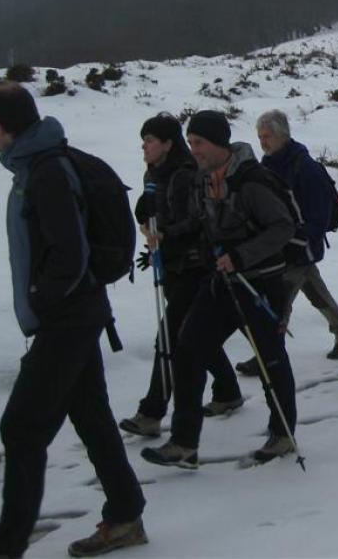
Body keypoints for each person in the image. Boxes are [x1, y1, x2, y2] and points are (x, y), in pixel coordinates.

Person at [0, 81, 146, 559]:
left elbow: (69, 254)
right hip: (77, 311)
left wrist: (44, 302)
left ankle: (6, 544)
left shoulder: (47, 171)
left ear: (0, 128)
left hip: (67, 317)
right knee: (91, 416)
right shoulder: (41, 164)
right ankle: (126, 513)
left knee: (21, 428)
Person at [142, 110, 298, 469]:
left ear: (218, 144)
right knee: (188, 347)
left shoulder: (251, 181)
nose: (192, 149)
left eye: (199, 143)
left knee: (269, 357)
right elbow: (200, 223)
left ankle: (282, 433)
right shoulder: (202, 179)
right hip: (221, 282)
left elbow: (282, 227)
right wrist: (167, 237)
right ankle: (184, 443)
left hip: (260, 281)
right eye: (191, 142)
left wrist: (240, 256)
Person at [119, 113, 242, 437]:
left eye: (149, 141)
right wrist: (145, 216)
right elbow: (149, 205)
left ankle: (152, 411)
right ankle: (228, 390)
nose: (144, 148)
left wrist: (166, 234)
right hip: (174, 265)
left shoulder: (186, 175)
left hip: (194, 265)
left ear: (167, 144)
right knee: (193, 334)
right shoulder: (156, 172)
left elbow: (197, 220)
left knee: (170, 337)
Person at [235, 110, 338, 370]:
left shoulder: (305, 167)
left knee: (279, 301)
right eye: (259, 137)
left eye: (267, 136)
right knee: (314, 289)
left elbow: (319, 215)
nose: (263, 142)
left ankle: (268, 355)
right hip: (283, 246)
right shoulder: (268, 165)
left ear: (283, 136)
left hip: (301, 247)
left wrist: (298, 239)